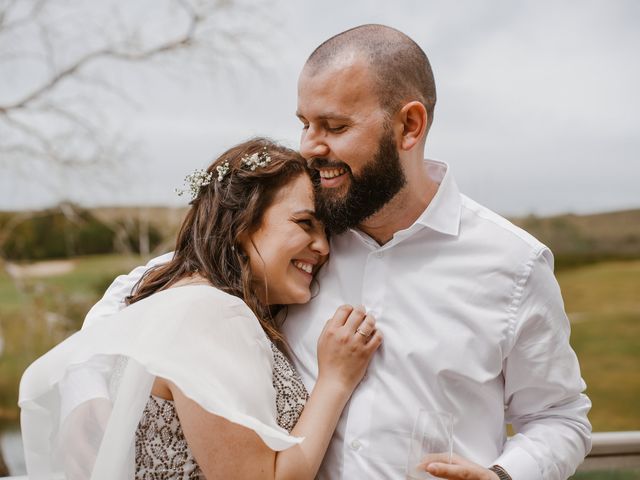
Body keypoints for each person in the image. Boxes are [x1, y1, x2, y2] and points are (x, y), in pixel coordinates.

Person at [60, 24, 592, 480]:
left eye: (335, 127)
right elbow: (148, 297)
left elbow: (561, 416)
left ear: (409, 125)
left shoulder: (513, 264)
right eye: (305, 123)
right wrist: (96, 425)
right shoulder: (293, 243)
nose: (311, 146)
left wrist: (505, 474)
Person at [18, 138, 383, 479]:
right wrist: (335, 381)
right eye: (305, 223)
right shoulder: (210, 315)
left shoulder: (181, 292)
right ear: (243, 222)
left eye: (326, 232)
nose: (322, 247)